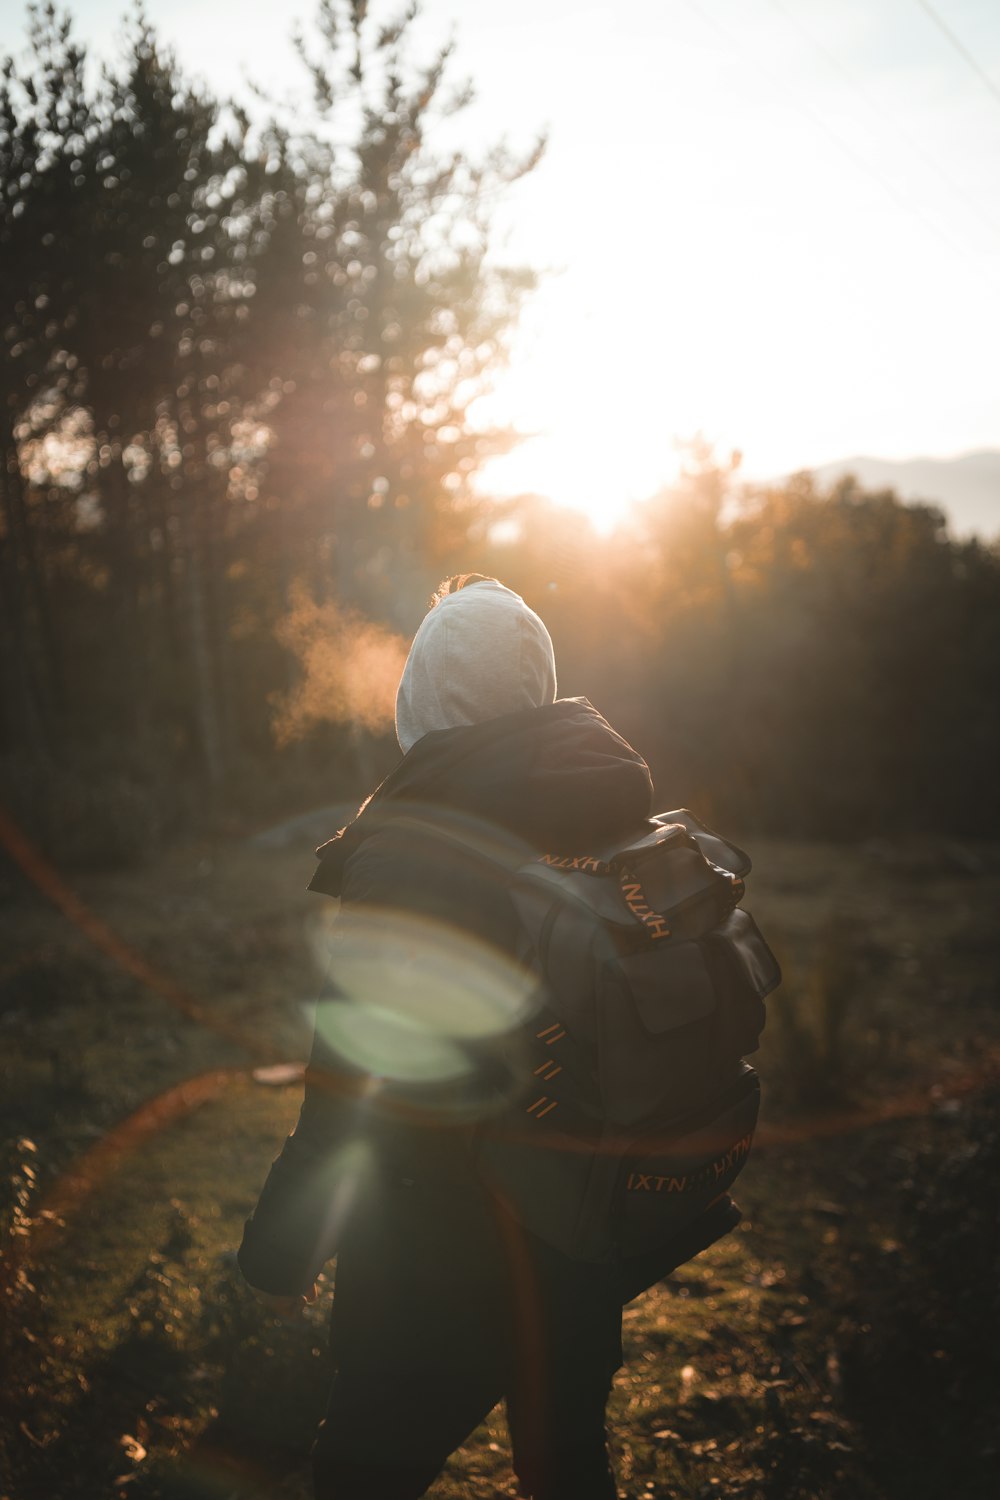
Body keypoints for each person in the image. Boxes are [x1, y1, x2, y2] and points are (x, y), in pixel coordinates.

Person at [238, 573, 730, 1499]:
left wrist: (283, 1251)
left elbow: (351, 1082)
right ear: (535, 684)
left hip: (434, 1256)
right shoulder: (610, 807)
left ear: (423, 693)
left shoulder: (411, 850)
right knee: (569, 1469)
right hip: (581, 1235)